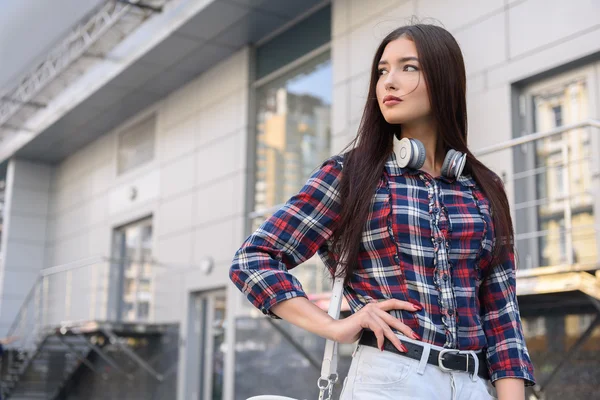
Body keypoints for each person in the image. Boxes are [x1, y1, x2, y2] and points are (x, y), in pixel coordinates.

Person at [230, 23, 535, 400]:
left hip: (474, 385)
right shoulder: (351, 175)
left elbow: (502, 315)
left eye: (409, 67)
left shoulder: (485, 187)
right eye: (382, 71)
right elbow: (253, 259)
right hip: (392, 378)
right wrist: (335, 326)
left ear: (445, 79)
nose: (389, 82)